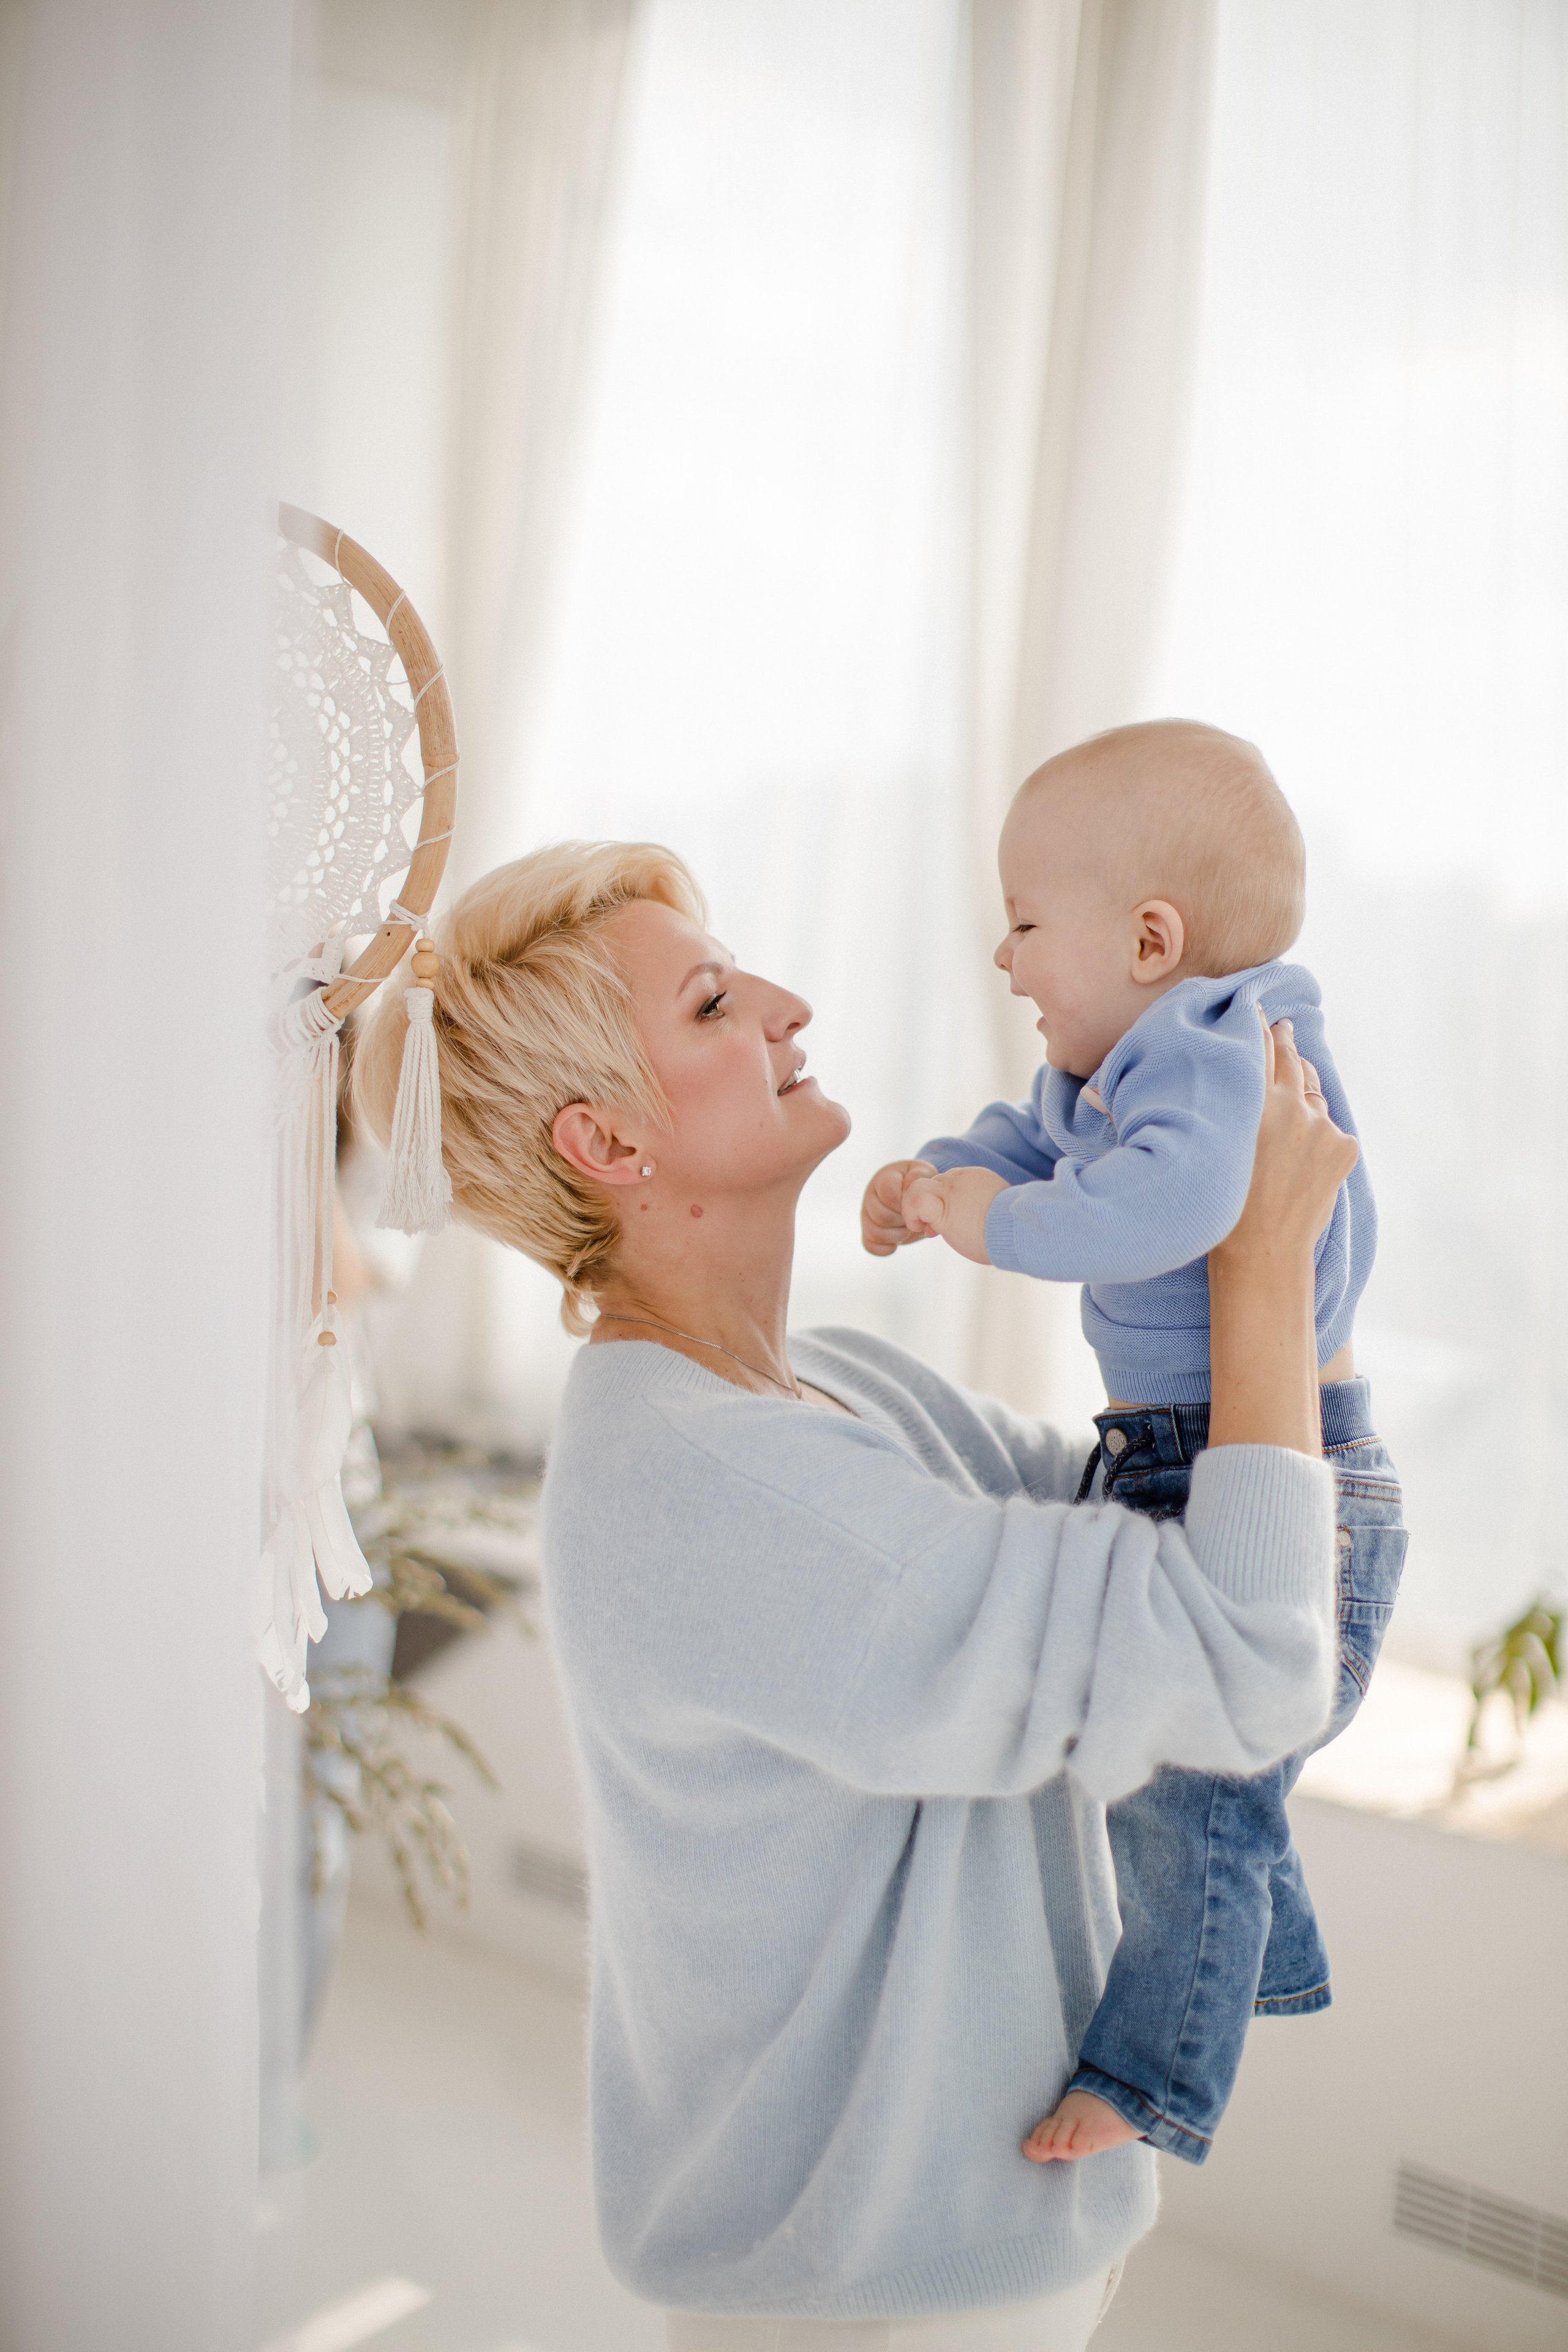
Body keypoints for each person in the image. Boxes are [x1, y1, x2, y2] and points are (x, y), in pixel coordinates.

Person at [356, 839, 1357, 2350]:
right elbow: (1246, 1657)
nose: (784, 1002)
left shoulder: (829, 1388)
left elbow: (1178, 1540)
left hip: (939, 2253)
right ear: (607, 1145)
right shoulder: (712, 1487)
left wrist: (1205, 1191)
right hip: (882, 2299)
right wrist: (1262, 1266)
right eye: (708, 1005)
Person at [861, 721, 1407, 2170]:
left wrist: (979, 1226)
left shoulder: (1222, 1055)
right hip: (1177, 1457)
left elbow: (1149, 1215)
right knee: (1194, 1775)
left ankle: (1155, 2076)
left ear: (1152, 938)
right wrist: (940, 1177)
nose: (1004, 958)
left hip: (1291, 1485)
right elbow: (1020, 1140)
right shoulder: (1120, 1067)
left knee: (1192, 1774)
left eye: (1026, 923)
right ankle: (1255, 1951)